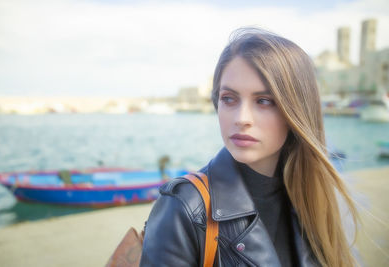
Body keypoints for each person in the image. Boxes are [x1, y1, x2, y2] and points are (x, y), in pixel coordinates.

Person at [140, 28, 358, 267]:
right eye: (229, 98)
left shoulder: (314, 198)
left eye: (264, 101)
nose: (242, 118)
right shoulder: (184, 208)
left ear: (297, 111)